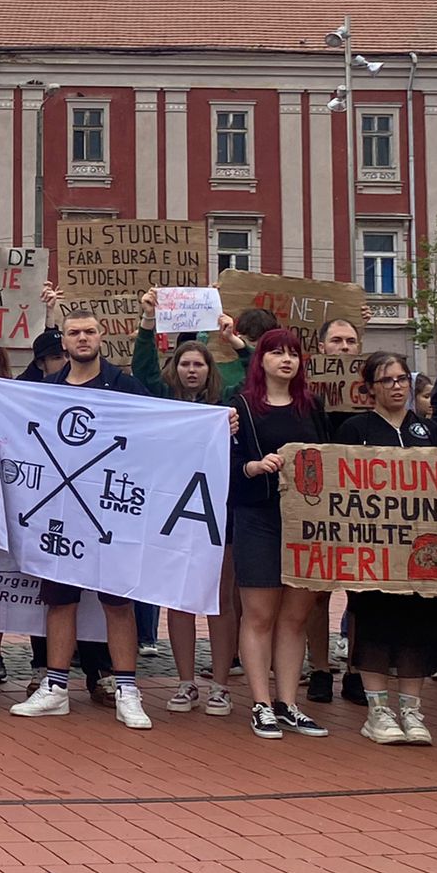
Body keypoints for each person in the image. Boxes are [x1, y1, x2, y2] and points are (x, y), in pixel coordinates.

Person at [10, 307, 154, 730]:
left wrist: (220, 422)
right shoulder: (48, 389)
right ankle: (55, 687)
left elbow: (162, 430)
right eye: (74, 332)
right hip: (60, 511)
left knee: (117, 601)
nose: (82, 339)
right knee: (59, 600)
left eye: (89, 331)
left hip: (109, 511)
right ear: (65, 341)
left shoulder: (125, 386)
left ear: (101, 335)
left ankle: (126, 686)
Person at [327, 351, 437, 743]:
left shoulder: (428, 431)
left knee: (418, 626)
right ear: (370, 389)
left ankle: (413, 711)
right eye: (388, 380)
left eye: (402, 378)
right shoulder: (354, 429)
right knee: (374, 624)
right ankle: (378, 710)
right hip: (372, 553)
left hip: (419, 552)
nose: (398, 386)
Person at [133, 291, 240, 718]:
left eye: (199, 364)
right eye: (185, 363)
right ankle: (185, 682)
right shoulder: (163, 401)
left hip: (218, 513)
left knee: (220, 599)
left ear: (210, 370)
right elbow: (141, 367)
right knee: (177, 598)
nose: (192, 369)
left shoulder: (228, 402)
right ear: (175, 369)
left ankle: (219, 684)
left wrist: (234, 340)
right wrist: (146, 320)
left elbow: (254, 373)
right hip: (172, 513)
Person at [221, 328, 329, 738]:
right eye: (277, 353)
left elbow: (331, 455)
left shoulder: (312, 405)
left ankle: (289, 703)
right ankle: (261, 703)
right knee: (260, 614)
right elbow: (226, 463)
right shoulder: (242, 407)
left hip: (304, 520)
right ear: (260, 359)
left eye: (294, 354)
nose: (287, 360)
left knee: (296, 616)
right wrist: (253, 466)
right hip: (258, 516)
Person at [308, 316, 365, 706]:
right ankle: (320, 669)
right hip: (318, 500)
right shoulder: (309, 396)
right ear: (322, 348)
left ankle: (358, 671)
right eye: (337, 341)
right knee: (315, 592)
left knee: (361, 591)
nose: (344, 348)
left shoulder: (371, 392)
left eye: (350, 341)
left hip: (361, 502)